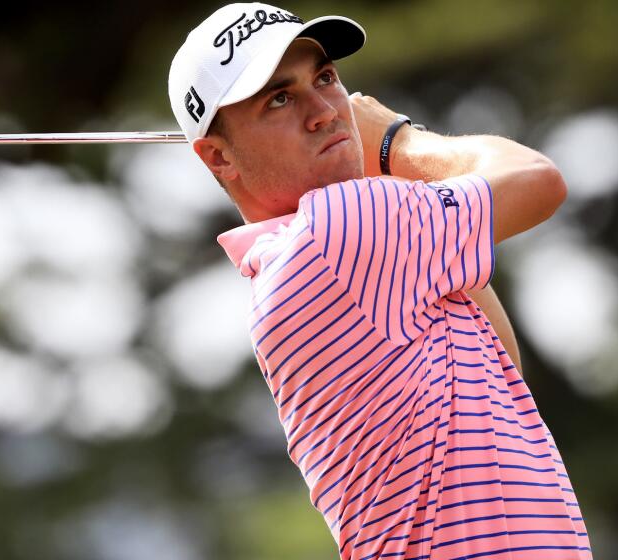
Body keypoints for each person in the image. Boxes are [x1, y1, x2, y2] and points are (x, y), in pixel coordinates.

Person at [168, 3, 593, 559]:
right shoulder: (335, 231)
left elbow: (505, 377)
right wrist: (395, 139)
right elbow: (539, 179)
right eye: (279, 98)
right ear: (218, 157)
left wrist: (373, 164)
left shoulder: (312, 259)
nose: (324, 111)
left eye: (324, 78)